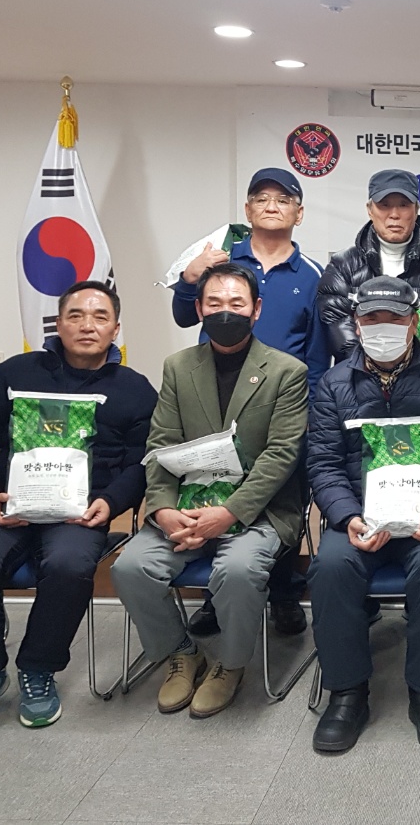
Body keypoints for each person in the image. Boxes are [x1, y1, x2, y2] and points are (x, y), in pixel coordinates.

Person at [0, 282, 156, 732]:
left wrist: (111, 502)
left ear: (116, 329)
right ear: (57, 324)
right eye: (75, 315)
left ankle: (38, 669)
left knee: (68, 566)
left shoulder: (135, 389)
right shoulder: (13, 374)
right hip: (7, 505)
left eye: (100, 317)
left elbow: (144, 462)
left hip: (82, 513)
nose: (87, 325)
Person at [111, 263, 307, 719]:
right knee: (131, 567)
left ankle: (230, 665)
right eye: (214, 303)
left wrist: (230, 513)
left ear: (256, 309)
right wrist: (162, 510)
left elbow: (282, 454)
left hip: (257, 510)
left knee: (237, 570)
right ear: (198, 309)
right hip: (186, 504)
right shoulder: (178, 368)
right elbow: (161, 444)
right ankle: (181, 653)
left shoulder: (286, 372)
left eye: (237, 303)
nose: (225, 312)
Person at [305, 277, 420, 754]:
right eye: (371, 319)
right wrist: (346, 516)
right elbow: (322, 462)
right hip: (360, 518)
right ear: (356, 323)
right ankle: (347, 693)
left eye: (394, 318)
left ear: (414, 322)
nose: (382, 327)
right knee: (330, 567)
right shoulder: (334, 383)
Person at [171, 166, 327, 637]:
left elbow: (318, 353)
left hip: (283, 405)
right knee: (213, 488)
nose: (271, 206)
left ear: (299, 213)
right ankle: (216, 599)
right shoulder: (218, 260)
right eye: (262, 198)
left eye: (283, 199)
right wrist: (190, 277)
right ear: (247, 209)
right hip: (216, 399)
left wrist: (310, 412)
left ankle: (283, 592)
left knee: (282, 497)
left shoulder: (313, 275)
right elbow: (183, 316)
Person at [316, 168, 420, 362]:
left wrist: (411, 368)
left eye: (404, 205)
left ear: (416, 210)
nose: (394, 214)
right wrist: (372, 369)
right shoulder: (343, 265)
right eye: (384, 205)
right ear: (370, 210)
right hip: (356, 375)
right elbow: (337, 323)